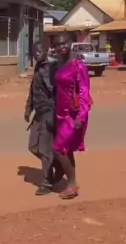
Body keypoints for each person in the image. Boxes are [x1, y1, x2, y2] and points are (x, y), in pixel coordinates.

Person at [53, 33, 92, 200]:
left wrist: (80, 117)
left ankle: (72, 183)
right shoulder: (60, 63)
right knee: (65, 149)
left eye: (64, 43)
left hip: (73, 116)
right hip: (60, 114)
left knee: (58, 148)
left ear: (71, 43)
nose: (61, 47)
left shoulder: (78, 66)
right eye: (57, 44)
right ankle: (71, 182)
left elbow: (84, 93)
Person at [24, 43, 63, 196]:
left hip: (49, 113)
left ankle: (46, 182)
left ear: (46, 51)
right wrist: (28, 108)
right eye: (34, 52)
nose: (37, 54)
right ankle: (57, 164)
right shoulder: (39, 66)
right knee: (33, 146)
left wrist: (55, 115)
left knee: (45, 149)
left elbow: (57, 92)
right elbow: (33, 89)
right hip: (38, 113)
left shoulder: (52, 67)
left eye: (40, 51)